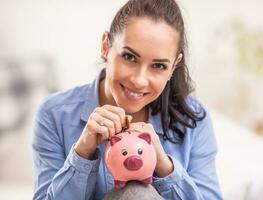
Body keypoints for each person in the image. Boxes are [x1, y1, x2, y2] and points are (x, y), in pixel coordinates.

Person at [32, 0, 223, 199]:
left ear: (174, 66)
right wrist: (82, 153)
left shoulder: (193, 120)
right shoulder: (54, 114)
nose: (139, 81)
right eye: (130, 57)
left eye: (158, 66)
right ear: (106, 47)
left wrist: (163, 166)